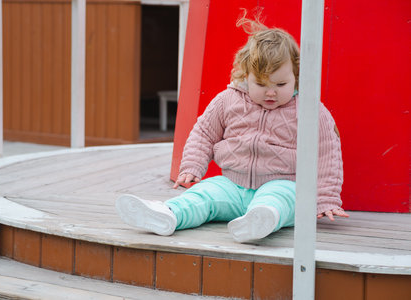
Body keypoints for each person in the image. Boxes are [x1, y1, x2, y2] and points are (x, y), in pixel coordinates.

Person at [116, 16, 349, 243]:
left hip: (282, 183)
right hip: (231, 185)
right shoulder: (227, 100)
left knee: (282, 199)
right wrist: (192, 165)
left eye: (280, 84)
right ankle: (167, 214)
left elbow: (326, 152)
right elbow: (204, 133)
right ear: (245, 75)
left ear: (296, 77)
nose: (271, 92)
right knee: (204, 194)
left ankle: (260, 220)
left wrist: (326, 198)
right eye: (261, 84)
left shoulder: (309, 109)